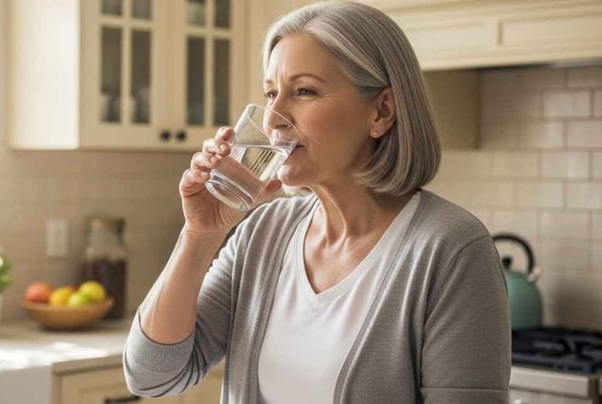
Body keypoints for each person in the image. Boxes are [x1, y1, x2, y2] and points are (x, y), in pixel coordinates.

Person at [123, 1, 510, 403]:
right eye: (271, 93)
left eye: (304, 91)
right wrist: (200, 235)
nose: (273, 117)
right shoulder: (264, 233)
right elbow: (151, 377)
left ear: (381, 111)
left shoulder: (451, 250)